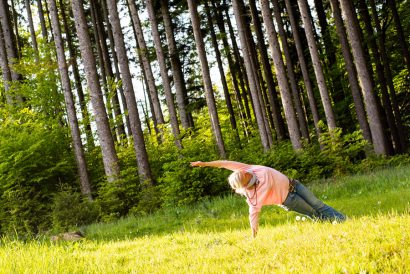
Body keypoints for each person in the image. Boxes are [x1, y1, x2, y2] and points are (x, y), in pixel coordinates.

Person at [190, 160, 346, 237]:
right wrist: (254, 234)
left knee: (318, 204)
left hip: (294, 184)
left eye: (243, 172)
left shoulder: (245, 169)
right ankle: (332, 227)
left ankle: (342, 220)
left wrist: (204, 164)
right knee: (313, 212)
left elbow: (224, 163)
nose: (245, 172)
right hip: (288, 200)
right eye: (243, 175)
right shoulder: (253, 195)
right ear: (243, 182)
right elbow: (253, 214)